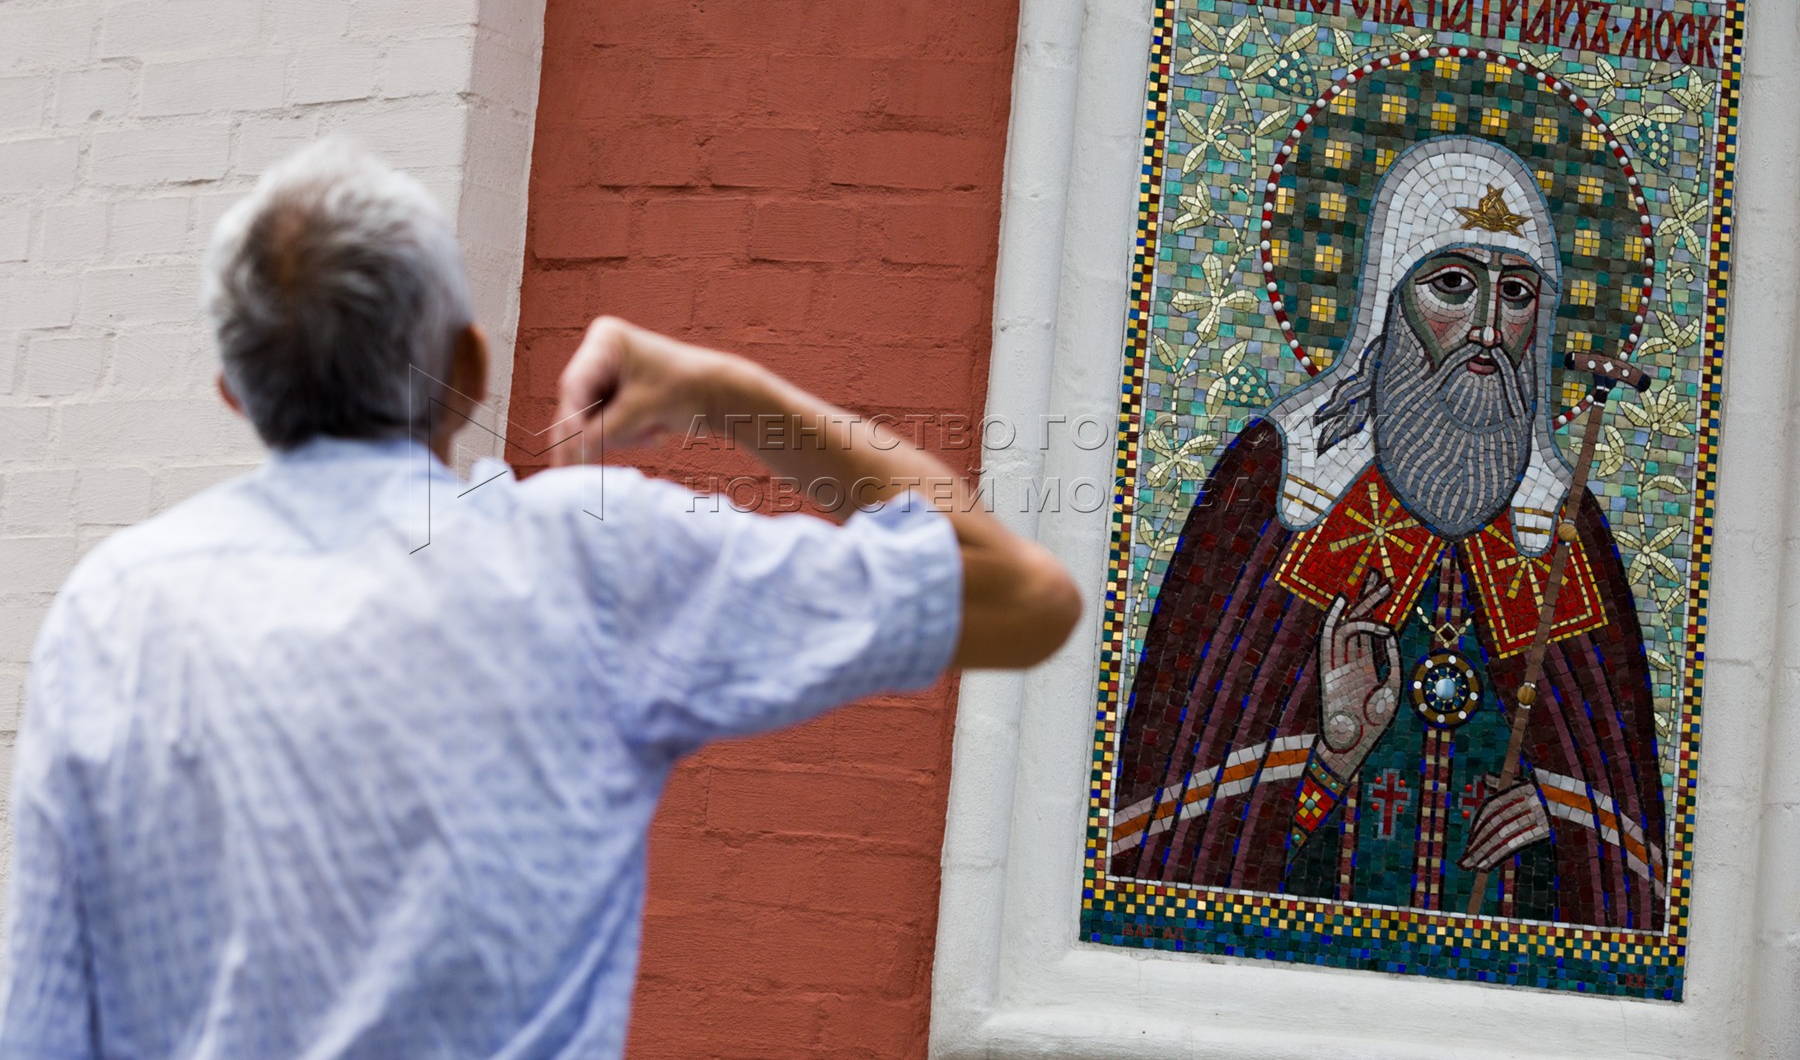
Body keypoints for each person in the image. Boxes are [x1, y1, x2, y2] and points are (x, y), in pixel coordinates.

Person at [0, 139, 1081, 1058]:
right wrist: (724, 390)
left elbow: (41, 1023)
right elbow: (1026, 599)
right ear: (468, 371)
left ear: (235, 393)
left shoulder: (109, 613)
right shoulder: (587, 562)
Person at [1108, 135, 1666, 928]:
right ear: (1389, 302)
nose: (1487, 329)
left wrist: (1562, 816)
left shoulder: (1563, 528)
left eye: (1515, 294)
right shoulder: (1282, 484)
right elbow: (1179, 832)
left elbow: (1625, 829)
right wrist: (1331, 753)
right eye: (1453, 286)